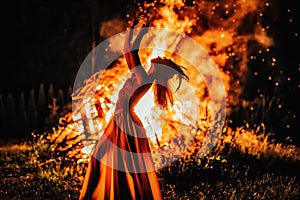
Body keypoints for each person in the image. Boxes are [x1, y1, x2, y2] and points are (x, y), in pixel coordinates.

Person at [79, 17, 189, 200]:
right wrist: (139, 32)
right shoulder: (143, 75)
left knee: (111, 162)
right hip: (123, 119)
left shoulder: (143, 77)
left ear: (160, 67)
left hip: (125, 122)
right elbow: (129, 52)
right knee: (110, 161)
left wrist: (135, 31)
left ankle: (117, 195)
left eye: (162, 59)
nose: (160, 56)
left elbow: (130, 51)